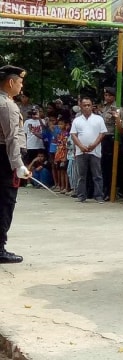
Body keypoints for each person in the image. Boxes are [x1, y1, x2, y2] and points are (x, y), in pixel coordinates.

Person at [0, 65, 32, 263]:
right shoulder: (7, 105)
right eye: (20, 82)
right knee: (5, 203)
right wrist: (18, 164)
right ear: (11, 82)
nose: (21, 87)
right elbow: (11, 138)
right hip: (5, 159)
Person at [70, 97, 107, 203]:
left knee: (97, 175)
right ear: (81, 107)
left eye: (89, 105)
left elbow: (102, 133)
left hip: (95, 151)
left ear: (92, 106)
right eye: (84, 105)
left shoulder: (98, 119)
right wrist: (81, 146)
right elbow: (73, 135)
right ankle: (81, 196)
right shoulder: (77, 120)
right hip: (81, 151)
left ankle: (99, 196)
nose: (87, 107)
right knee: (81, 175)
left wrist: (94, 144)